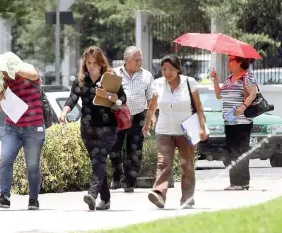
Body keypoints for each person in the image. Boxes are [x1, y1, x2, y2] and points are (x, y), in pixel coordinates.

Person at [59, 46, 127, 211]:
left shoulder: (110, 79)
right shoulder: (81, 79)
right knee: (97, 162)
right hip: (88, 128)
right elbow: (72, 98)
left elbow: (122, 101)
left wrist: (110, 96)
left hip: (108, 127)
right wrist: (64, 112)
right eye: (88, 63)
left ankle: (92, 194)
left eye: (94, 63)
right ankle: (106, 199)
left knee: (100, 159)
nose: (91, 66)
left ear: (101, 63)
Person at [142, 54, 207, 209]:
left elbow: (199, 107)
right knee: (163, 163)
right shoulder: (158, 84)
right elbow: (153, 106)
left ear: (178, 69)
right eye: (164, 69)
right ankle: (159, 194)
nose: (167, 72)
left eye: (171, 69)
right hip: (164, 131)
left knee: (187, 165)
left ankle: (187, 198)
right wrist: (147, 123)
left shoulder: (189, 83)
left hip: (186, 131)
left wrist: (202, 127)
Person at [0, 52, 46, 210]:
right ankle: (4, 197)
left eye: (4, 70)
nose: (4, 73)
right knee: (6, 160)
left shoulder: (28, 72)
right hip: (12, 128)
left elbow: (34, 74)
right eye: (0, 71)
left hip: (34, 127)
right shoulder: (4, 83)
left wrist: (13, 68)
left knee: (32, 165)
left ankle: (33, 200)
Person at [110, 46, 155, 192]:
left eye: (141, 59)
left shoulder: (147, 76)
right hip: (117, 116)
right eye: (136, 60)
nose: (139, 62)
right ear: (127, 60)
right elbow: (106, 93)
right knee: (114, 148)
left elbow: (151, 98)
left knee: (135, 151)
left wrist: (152, 115)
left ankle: (129, 182)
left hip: (138, 116)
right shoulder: (115, 73)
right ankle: (117, 176)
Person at [211, 55, 257, 191]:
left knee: (241, 150)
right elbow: (219, 95)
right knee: (232, 151)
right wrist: (215, 79)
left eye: (231, 60)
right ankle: (235, 182)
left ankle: (242, 182)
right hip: (229, 121)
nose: (229, 63)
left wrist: (242, 107)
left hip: (242, 121)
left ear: (240, 62)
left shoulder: (247, 76)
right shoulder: (229, 79)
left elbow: (253, 93)